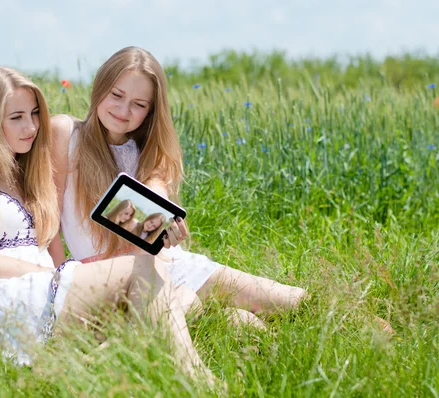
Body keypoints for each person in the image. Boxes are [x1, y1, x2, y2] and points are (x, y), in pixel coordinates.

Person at [0, 65, 215, 380]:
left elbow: (51, 241)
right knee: (142, 271)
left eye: (34, 113)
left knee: (183, 294)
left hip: (46, 289)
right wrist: (63, 273)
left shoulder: (28, 173)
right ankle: (196, 378)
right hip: (1, 295)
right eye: (16, 118)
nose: (31, 127)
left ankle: (103, 356)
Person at [49, 47, 307, 328]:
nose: (123, 111)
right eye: (116, 95)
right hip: (105, 279)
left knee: (293, 302)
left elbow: (156, 190)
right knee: (241, 321)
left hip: (166, 264)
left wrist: (166, 224)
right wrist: (58, 287)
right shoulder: (65, 133)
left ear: (150, 111)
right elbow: (49, 221)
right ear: (99, 88)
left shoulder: (148, 148)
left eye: (139, 104)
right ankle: (210, 319)